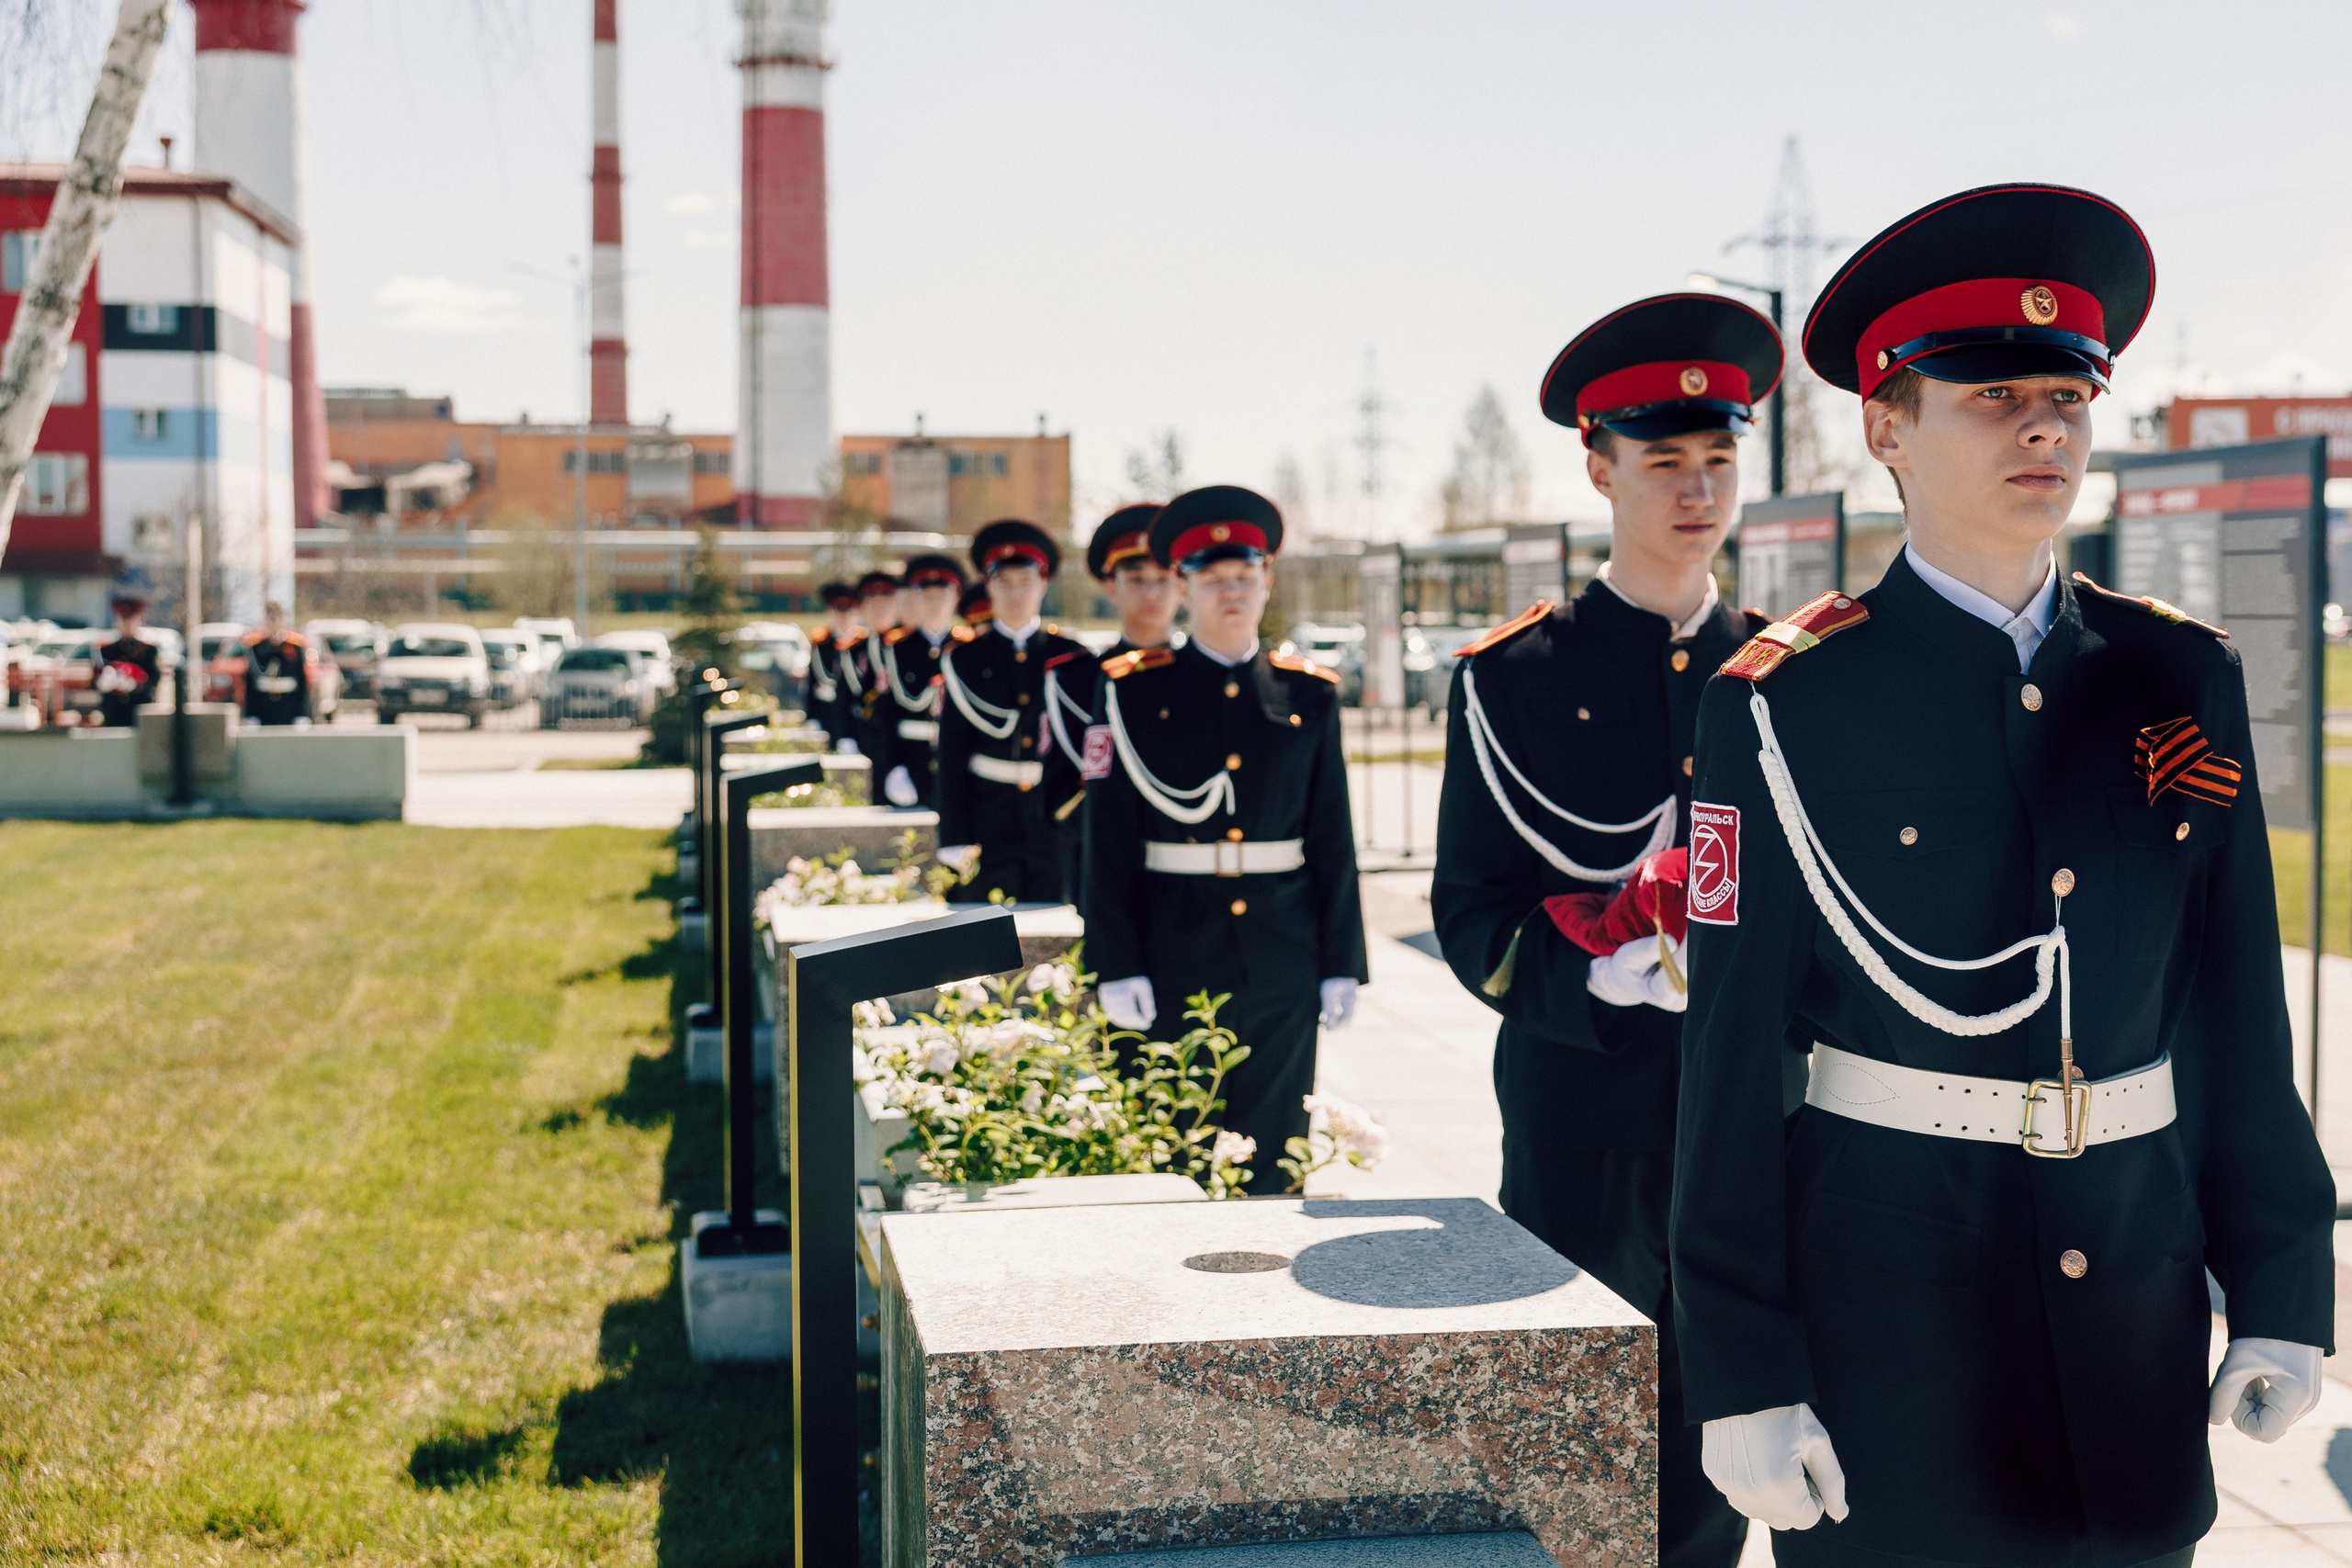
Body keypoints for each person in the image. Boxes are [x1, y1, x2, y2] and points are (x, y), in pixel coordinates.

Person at [1672, 184, 2335, 1568]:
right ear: (1886, 425)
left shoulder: (2177, 673)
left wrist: (2282, 1280)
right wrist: (1740, 1363)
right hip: (1894, 1315)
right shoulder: (1788, 698)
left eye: (2067, 394)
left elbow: (2233, 1012)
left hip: (2133, 1309)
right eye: (1991, 396)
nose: (2044, 426)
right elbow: (1729, 1061)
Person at [1430, 291, 1780, 1568]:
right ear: (1599, 466)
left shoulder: (1788, 668)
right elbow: (1471, 908)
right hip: (1581, 1102)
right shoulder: (1515, 673)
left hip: (1749, 1105)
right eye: (1664, 461)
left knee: (1727, 1410)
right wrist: (1599, 980)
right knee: (1573, 1416)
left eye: (1719, 460)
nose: (1698, 490)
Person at [1082, 486, 1368, 1183]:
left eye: (1245, 575)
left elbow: (1332, 836)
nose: (1231, 591)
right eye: (1213, 578)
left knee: (1276, 1155)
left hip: (1282, 954)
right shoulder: (1130, 691)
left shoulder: (1309, 694)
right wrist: (1113, 961)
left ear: (1268, 580)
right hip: (1170, 949)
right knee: (1170, 1147)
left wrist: (1342, 959)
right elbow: (1108, 840)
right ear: (1182, 585)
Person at [935, 521, 1091, 903]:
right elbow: (951, 756)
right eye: (1005, 582)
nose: (1016, 592)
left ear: (1043, 585)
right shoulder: (965, 659)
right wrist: (954, 834)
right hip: (989, 815)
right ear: (988, 587)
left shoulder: (1074, 656)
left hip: (1054, 815)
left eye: (1026, 581)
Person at [1038, 504, 1177, 910]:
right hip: (1099, 860)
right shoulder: (1074, 679)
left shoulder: (1207, 678)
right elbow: (1059, 795)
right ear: (1111, 587)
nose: (1151, 593)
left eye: (1162, 580)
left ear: (1182, 584)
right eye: (1135, 579)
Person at [869, 553, 968, 808]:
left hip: (957, 763)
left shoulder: (968, 650)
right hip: (909, 760)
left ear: (955, 599)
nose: (934, 604)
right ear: (915, 598)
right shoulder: (897, 649)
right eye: (927, 596)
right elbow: (885, 715)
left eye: (941, 596)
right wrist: (893, 767)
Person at [93, 588, 163, 728]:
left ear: (138, 621)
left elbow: (155, 678)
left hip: (137, 710)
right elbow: (95, 681)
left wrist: (136, 685)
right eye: (123, 619)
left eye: (130, 619)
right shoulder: (107, 650)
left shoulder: (148, 650)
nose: (126, 624)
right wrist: (106, 683)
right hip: (113, 712)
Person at [805, 581, 861, 743]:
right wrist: (812, 717)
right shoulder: (821, 643)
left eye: (848, 611)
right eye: (838, 611)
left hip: (855, 717)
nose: (843, 617)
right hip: (827, 714)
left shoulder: (863, 643)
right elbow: (812, 683)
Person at [240, 601, 311, 726]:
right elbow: (250, 684)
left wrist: (302, 714)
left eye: (277, 617)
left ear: (284, 619)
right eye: (270, 617)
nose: (273, 621)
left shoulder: (295, 646)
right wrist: (251, 715)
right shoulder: (255, 647)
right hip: (263, 711)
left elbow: (302, 682)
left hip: (289, 709)